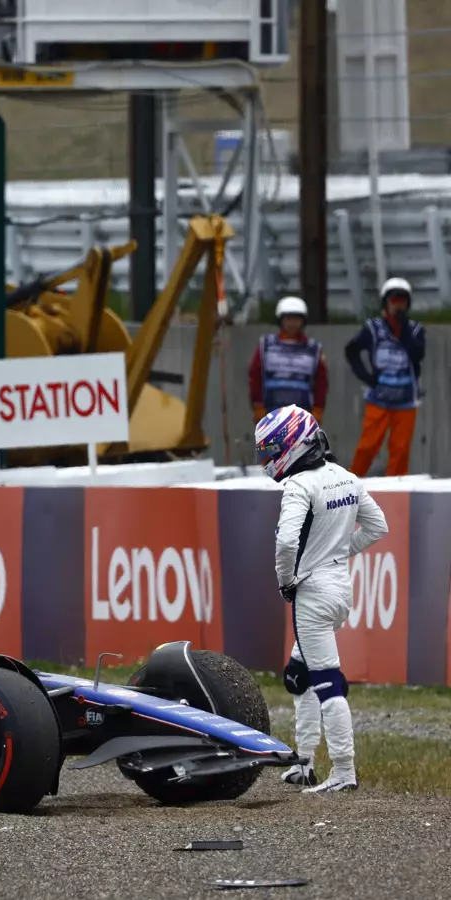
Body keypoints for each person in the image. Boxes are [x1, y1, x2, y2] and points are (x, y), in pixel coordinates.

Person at [254, 404, 388, 793]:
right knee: (298, 677)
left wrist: (286, 581)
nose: (269, 459)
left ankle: (344, 772)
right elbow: (379, 526)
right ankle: (304, 761)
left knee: (327, 683)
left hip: (312, 594)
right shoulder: (346, 477)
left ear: (295, 445)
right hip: (340, 590)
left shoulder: (299, 486)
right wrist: (340, 553)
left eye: (273, 450)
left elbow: (284, 542)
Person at [344, 277, 425, 477]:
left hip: (406, 401)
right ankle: (349, 485)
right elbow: (351, 350)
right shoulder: (373, 328)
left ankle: (396, 489)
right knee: (367, 446)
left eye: (402, 301)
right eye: (394, 300)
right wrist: (366, 376)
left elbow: (417, 354)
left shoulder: (415, 329)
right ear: (386, 303)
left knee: (400, 450)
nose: (398, 305)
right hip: (378, 399)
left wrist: (402, 328)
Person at [247, 296, 328, 424]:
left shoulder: (314, 349)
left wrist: (318, 409)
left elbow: (321, 382)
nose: (292, 323)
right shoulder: (266, 346)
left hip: (302, 414)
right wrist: (257, 406)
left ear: (303, 321)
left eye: (296, 319)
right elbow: (255, 376)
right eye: (288, 319)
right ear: (281, 320)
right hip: (270, 413)